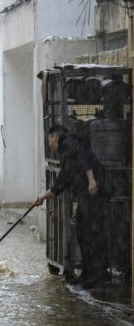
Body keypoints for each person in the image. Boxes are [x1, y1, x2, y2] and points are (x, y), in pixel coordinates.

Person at [35, 124, 109, 289]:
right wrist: (42, 197)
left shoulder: (70, 141)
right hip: (86, 195)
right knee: (82, 232)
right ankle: (88, 273)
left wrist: (91, 180)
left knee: (92, 233)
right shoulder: (66, 154)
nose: (49, 144)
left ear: (55, 137)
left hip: (94, 193)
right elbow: (61, 182)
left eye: (49, 140)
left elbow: (84, 156)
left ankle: (99, 275)